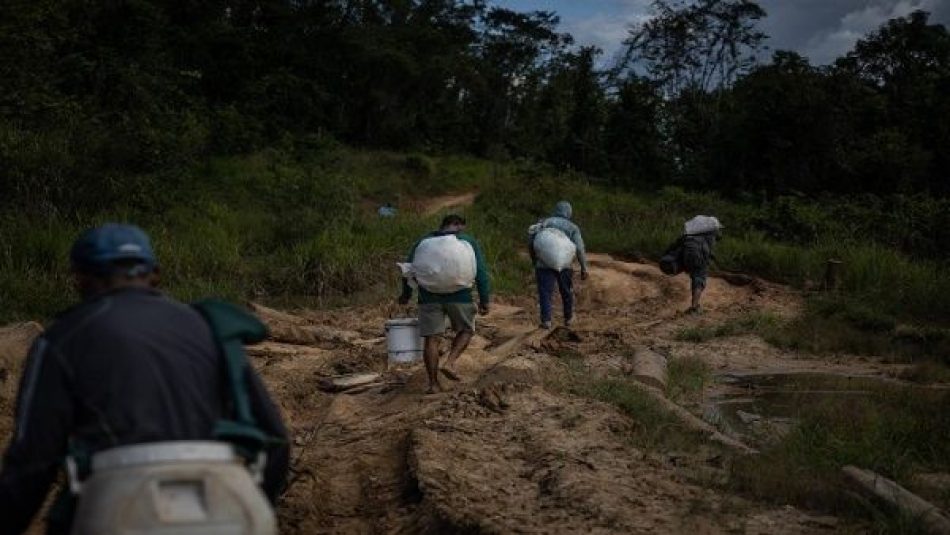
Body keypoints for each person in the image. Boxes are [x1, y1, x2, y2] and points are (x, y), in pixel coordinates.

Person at [0, 224, 289, 534]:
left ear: (80, 277)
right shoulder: (208, 327)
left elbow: (34, 461)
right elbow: (276, 439)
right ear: (154, 274)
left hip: (121, 501)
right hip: (230, 496)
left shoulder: (61, 338)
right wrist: (258, 502)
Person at [399, 215, 490, 393]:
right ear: (457, 226)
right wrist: (485, 300)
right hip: (461, 296)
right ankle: (450, 362)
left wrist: (406, 295)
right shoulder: (467, 241)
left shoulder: (423, 242)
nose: (462, 232)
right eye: (461, 228)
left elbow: (408, 271)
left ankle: (433, 384)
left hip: (428, 297)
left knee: (431, 339)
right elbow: (480, 272)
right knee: (466, 330)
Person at [529, 201, 589, 329]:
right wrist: (584, 267)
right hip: (565, 265)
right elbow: (579, 248)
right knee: (566, 291)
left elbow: (532, 241)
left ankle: (546, 320)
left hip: (544, 264)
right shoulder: (573, 227)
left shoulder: (544, 222)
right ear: (569, 212)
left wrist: (534, 259)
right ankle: (568, 318)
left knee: (545, 292)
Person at [681, 228, 720, 314]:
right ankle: (694, 307)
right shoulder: (708, 236)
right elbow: (709, 251)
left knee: (695, 280)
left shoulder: (689, 235)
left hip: (689, 261)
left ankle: (694, 304)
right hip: (700, 261)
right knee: (699, 281)